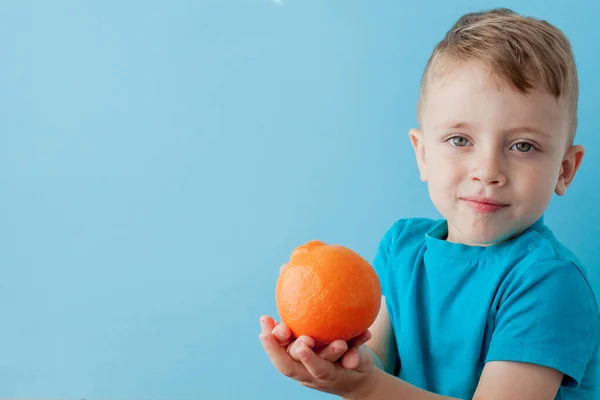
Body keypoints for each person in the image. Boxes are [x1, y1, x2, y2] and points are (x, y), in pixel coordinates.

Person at [258, 7, 600, 399]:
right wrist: (333, 363)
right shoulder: (401, 249)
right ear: (422, 155)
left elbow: (374, 385)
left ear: (564, 170)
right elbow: (372, 361)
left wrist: (365, 387)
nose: (487, 171)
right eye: (460, 140)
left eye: (523, 146)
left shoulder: (550, 282)